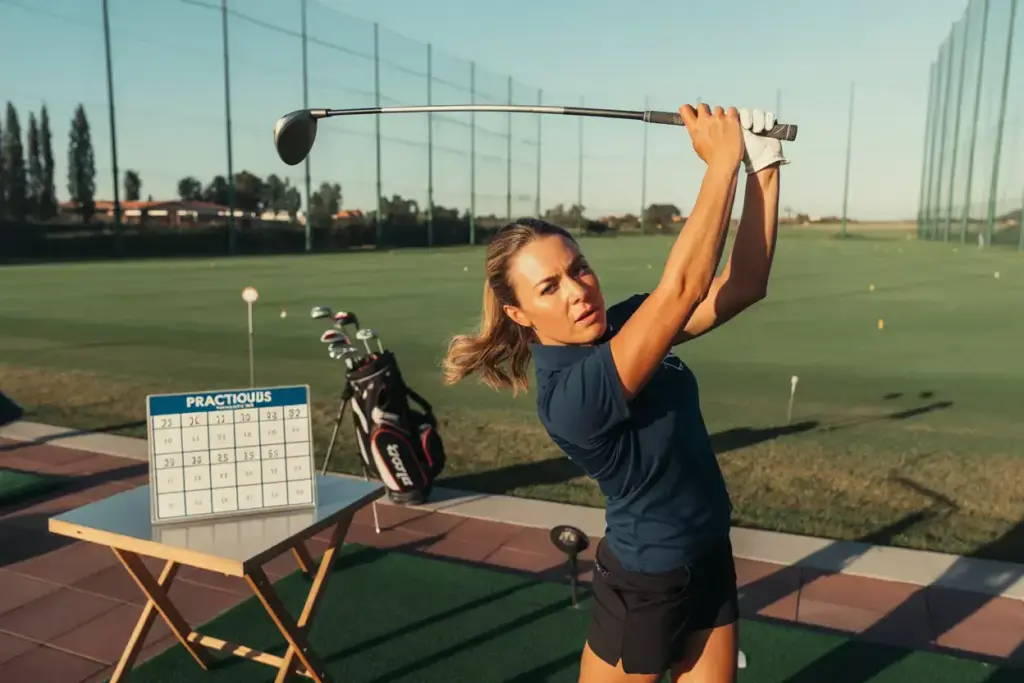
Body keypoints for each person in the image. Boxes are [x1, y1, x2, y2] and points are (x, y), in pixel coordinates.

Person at [442, 103, 787, 683]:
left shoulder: (622, 324)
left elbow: (744, 284)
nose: (577, 292)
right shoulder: (570, 395)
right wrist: (721, 162)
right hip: (647, 584)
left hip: (709, 555)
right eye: (548, 288)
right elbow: (682, 287)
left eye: (579, 269)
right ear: (518, 313)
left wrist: (764, 166)